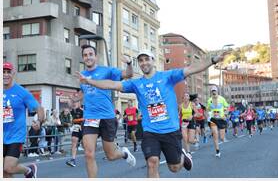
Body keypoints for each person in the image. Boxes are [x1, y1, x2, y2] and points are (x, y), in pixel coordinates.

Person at [76, 49, 229, 177]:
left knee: (174, 167)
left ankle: (183, 156)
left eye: (146, 59)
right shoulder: (136, 84)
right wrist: (90, 82)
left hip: (170, 130)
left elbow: (192, 68)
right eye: (141, 60)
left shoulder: (168, 76)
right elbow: (112, 84)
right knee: (152, 162)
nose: (144, 63)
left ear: (153, 60)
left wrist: (213, 60)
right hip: (150, 131)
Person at [72, 44, 136, 178]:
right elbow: (86, 93)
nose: (88, 57)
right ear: (83, 58)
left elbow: (129, 74)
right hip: (90, 117)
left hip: (107, 117)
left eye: (90, 54)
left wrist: (129, 63)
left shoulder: (107, 71)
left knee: (111, 155)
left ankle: (124, 153)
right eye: (85, 55)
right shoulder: (82, 75)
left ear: (96, 56)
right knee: (89, 154)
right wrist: (75, 99)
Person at [3, 62, 45, 178]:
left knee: (8, 167)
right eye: (3, 72)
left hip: (16, 135)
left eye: (8, 72)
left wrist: (39, 122)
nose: (5, 75)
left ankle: (29, 170)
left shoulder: (22, 92)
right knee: (4, 172)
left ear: (13, 73)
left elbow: (39, 109)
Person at [206, 85, 229, 158]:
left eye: (215, 91)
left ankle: (222, 136)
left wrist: (225, 114)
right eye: (212, 91)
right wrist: (208, 115)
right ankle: (217, 151)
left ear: (217, 91)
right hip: (213, 119)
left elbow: (227, 107)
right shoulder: (209, 100)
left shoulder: (222, 99)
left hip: (221, 119)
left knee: (222, 138)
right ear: (211, 92)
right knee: (215, 134)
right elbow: (208, 109)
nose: (214, 92)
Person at [66, 100, 84, 167]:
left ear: (79, 103)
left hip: (84, 129)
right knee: (74, 143)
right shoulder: (73, 111)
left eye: (76, 102)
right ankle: (73, 160)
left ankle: (90, 157)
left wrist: (76, 120)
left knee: (85, 145)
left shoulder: (82, 110)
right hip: (76, 128)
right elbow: (69, 105)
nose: (74, 104)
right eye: (74, 102)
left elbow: (86, 119)